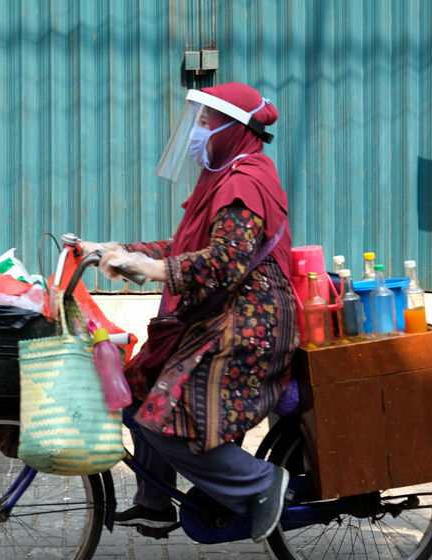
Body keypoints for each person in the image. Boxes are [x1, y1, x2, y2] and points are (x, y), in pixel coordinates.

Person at [83, 82, 299, 543]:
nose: (196, 133)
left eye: (205, 123)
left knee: (161, 415)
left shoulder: (244, 183)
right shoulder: (221, 179)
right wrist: (119, 250)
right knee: (138, 390)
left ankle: (262, 484)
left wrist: (157, 269)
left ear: (232, 130)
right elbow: (185, 248)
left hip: (249, 324)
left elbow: (225, 261)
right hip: (224, 315)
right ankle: (155, 505)